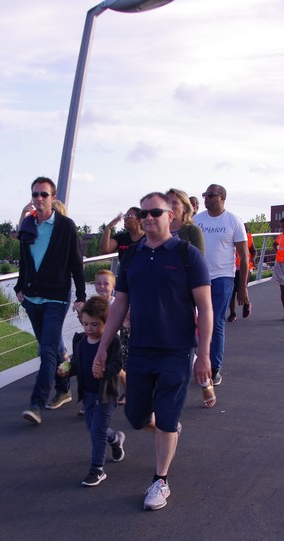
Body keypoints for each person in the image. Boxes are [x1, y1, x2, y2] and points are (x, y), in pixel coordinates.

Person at [93, 192, 213, 511]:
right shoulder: (132, 255)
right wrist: (102, 347)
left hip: (176, 350)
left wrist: (203, 355)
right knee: (135, 415)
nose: (148, 218)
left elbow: (205, 307)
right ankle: (166, 427)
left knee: (167, 419)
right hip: (141, 349)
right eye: (142, 213)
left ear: (170, 216)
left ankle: (160, 480)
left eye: (155, 212)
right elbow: (120, 304)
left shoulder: (187, 254)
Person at [14, 176, 87, 425]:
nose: (39, 198)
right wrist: (19, 287)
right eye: (35, 194)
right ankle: (64, 389)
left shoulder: (66, 226)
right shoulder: (28, 225)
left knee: (46, 351)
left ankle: (36, 404)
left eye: (44, 194)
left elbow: (76, 263)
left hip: (56, 297)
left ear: (53, 197)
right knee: (52, 346)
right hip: (31, 298)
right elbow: (24, 260)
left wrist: (81, 296)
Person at [57, 295, 126, 487]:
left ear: (107, 323)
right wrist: (66, 371)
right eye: (86, 324)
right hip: (88, 393)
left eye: (94, 325)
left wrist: (104, 371)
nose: (89, 329)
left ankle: (97, 469)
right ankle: (115, 439)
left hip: (106, 395)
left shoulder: (112, 342)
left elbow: (117, 365)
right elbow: (78, 365)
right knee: (94, 429)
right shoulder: (81, 342)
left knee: (97, 431)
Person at [193, 184, 248, 386]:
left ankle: (214, 367)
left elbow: (244, 257)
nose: (206, 199)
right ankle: (194, 361)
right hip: (197, 278)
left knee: (216, 321)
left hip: (222, 278)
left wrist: (242, 287)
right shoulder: (196, 220)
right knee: (189, 321)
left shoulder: (233, 221)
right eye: (204, 195)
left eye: (210, 195)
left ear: (222, 197)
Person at [94, 268, 128, 406]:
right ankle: (94, 399)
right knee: (97, 368)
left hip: (114, 342)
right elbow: (88, 323)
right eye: (98, 283)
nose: (102, 286)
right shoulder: (94, 304)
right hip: (99, 342)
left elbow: (123, 322)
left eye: (106, 283)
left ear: (114, 286)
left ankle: (128, 393)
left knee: (118, 371)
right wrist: (80, 313)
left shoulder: (116, 304)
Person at [165, 188, 206, 254]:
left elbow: (199, 257)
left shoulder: (193, 231)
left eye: (174, 203)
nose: (170, 206)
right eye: (167, 203)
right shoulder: (157, 230)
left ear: (185, 208)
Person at [227, 231, 256, 322]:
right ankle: (232, 313)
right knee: (231, 291)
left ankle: (246, 304)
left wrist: (253, 259)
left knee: (242, 287)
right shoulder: (229, 236)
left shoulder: (248, 237)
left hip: (244, 267)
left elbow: (253, 251)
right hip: (231, 267)